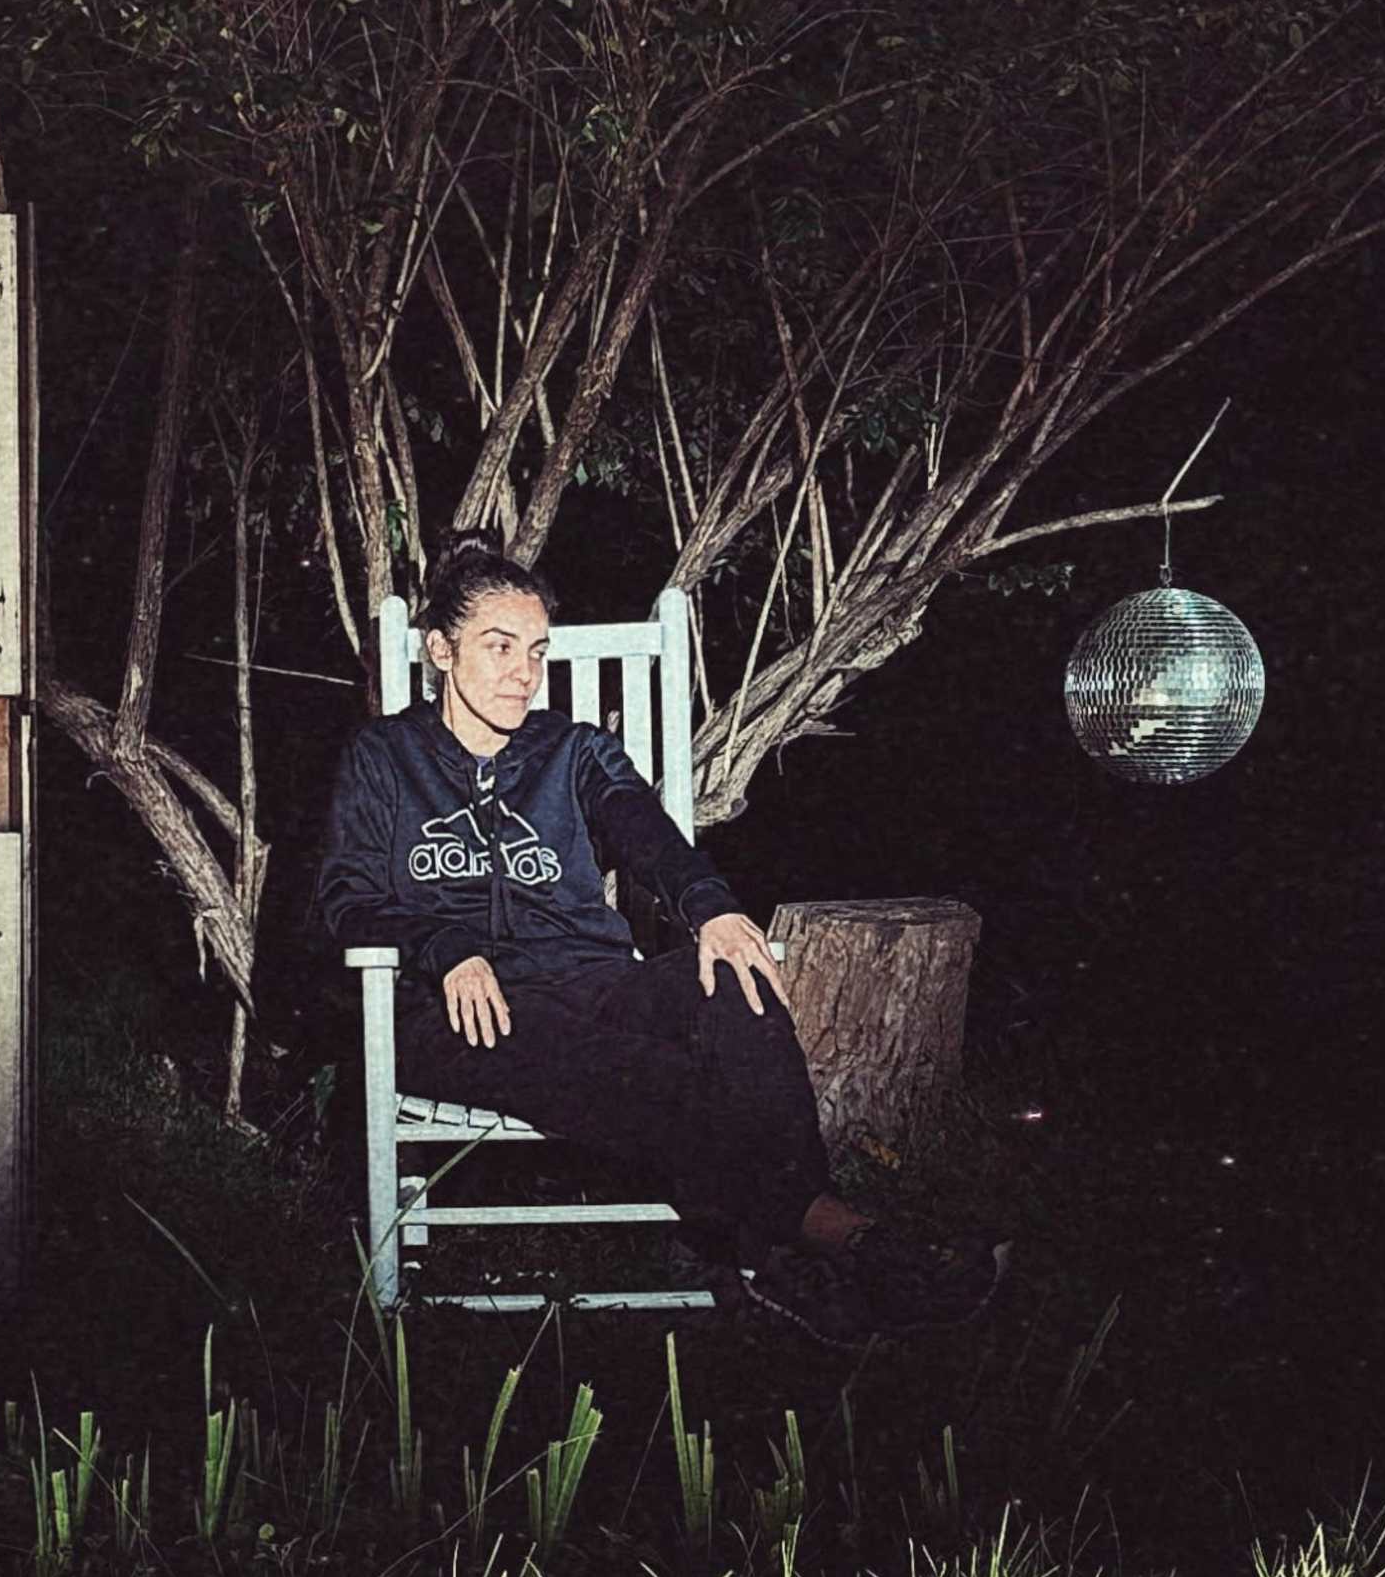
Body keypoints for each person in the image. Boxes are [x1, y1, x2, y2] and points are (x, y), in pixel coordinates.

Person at [314, 535, 1001, 1343]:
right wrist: (441, 945)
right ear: (439, 649)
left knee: (736, 989)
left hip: (591, 978)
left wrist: (709, 908)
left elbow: (647, 834)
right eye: (498, 647)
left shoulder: (573, 752)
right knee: (653, 1076)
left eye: (535, 650)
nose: (523, 672)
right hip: (456, 1006)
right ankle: (847, 1245)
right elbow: (343, 900)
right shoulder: (383, 757)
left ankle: (774, 1264)